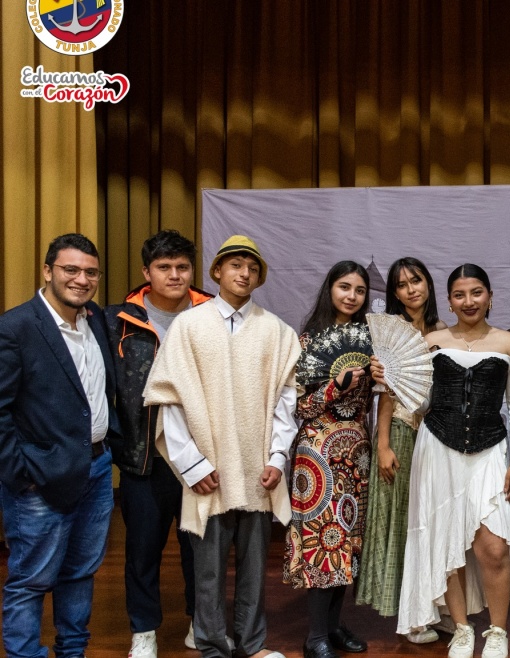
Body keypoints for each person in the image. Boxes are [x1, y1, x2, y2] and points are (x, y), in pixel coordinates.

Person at [143, 235, 301, 658]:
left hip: (257, 468)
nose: (243, 273)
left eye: (251, 266)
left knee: (254, 567)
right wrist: (192, 466)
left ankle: (252, 643)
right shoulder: (188, 326)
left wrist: (278, 458)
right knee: (208, 568)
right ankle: (212, 644)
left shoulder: (278, 331)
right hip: (208, 468)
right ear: (216, 272)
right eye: (234, 265)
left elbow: (288, 403)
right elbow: (171, 400)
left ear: (260, 276)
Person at [396, 264, 510, 658]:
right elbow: (421, 403)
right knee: (443, 540)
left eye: (476, 293)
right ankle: (460, 629)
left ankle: (498, 631)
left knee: (494, 547)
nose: (468, 302)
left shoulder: (508, 343)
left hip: (489, 451)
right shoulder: (432, 340)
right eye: (459, 294)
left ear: (490, 296)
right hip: (437, 449)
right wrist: (395, 380)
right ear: (450, 300)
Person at [0, 233, 121, 658]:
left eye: (90, 272)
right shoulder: (15, 327)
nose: (81, 279)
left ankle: (72, 652)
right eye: (70, 269)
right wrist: (21, 475)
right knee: (31, 580)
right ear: (48, 271)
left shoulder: (96, 321)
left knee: (80, 573)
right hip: (40, 477)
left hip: (97, 469)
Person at [105, 230, 212, 658]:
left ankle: (198, 621)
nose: (174, 275)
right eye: (164, 267)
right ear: (146, 272)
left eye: (182, 267)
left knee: (201, 551)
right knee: (142, 551)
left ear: (193, 270)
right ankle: (143, 630)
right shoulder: (117, 320)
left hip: (204, 458)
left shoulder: (213, 316)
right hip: (143, 459)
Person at [285, 261, 386, 658]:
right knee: (322, 541)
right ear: (330, 289)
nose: (351, 296)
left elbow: (379, 400)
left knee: (347, 542)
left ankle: (333, 625)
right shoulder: (308, 342)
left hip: (356, 451)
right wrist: (335, 386)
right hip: (318, 452)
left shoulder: (371, 339)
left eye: (359, 290)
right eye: (344, 287)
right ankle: (314, 637)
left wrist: (382, 376)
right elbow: (299, 407)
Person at [355, 257, 451, 643]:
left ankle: (436, 605)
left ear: (428, 283)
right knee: (402, 522)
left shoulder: (445, 330)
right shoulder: (391, 333)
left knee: (435, 522)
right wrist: (382, 446)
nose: (411, 289)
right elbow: (386, 396)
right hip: (400, 432)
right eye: (401, 285)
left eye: (417, 280)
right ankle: (410, 616)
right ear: (394, 294)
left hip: (438, 435)